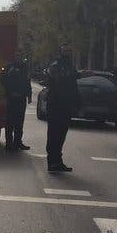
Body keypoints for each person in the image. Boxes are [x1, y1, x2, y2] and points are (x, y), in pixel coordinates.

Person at [44, 43, 79, 173]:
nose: (68, 53)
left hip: (66, 106)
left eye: (69, 51)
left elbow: (73, 85)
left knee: (61, 135)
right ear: (61, 52)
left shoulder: (70, 67)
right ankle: (51, 162)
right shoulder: (55, 66)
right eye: (65, 51)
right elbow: (57, 80)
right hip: (55, 106)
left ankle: (58, 161)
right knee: (53, 134)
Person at [1, 51, 33, 151]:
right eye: (16, 55)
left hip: (21, 98)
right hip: (11, 98)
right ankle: (9, 143)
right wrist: (9, 92)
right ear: (14, 57)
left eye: (19, 56)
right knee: (10, 122)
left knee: (19, 122)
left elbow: (28, 82)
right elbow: (3, 80)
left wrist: (29, 95)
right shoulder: (9, 67)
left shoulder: (25, 68)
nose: (18, 57)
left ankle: (18, 142)